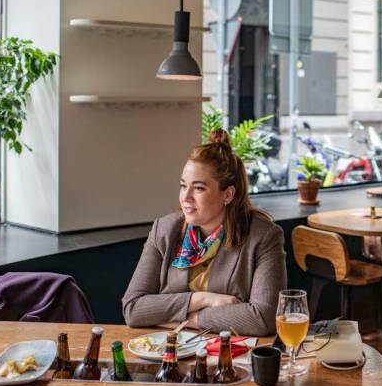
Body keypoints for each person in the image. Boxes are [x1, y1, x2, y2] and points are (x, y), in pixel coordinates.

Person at [123, 129, 286, 336]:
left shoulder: (263, 236)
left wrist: (190, 319)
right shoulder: (164, 230)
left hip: (228, 354)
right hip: (168, 350)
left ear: (227, 195)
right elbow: (133, 308)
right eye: (183, 186)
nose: (186, 197)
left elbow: (263, 318)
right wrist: (202, 299)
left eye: (199, 188)